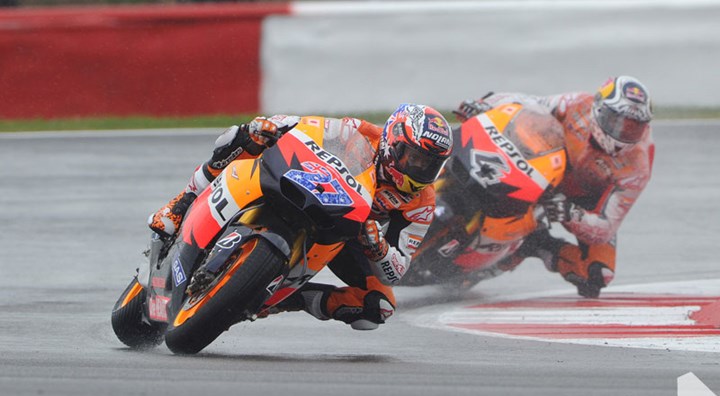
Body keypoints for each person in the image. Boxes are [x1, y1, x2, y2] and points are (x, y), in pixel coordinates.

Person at [149, 104, 453, 328]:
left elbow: (396, 269)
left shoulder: (421, 201)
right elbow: (302, 126)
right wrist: (269, 127)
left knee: (377, 309)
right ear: (393, 142)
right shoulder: (357, 132)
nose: (419, 168)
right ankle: (181, 203)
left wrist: (379, 248)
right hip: (303, 184)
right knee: (242, 137)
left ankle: (288, 298)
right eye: (414, 157)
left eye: (429, 165)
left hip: (346, 232)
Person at [453, 76, 655, 297]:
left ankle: (536, 243)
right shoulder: (579, 104)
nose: (621, 133)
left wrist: (571, 213)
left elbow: (606, 227)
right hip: (544, 163)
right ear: (599, 109)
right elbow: (531, 103)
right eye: (615, 121)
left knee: (597, 274)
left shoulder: (637, 167)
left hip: (582, 201)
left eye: (632, 128)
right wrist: (487, 105)